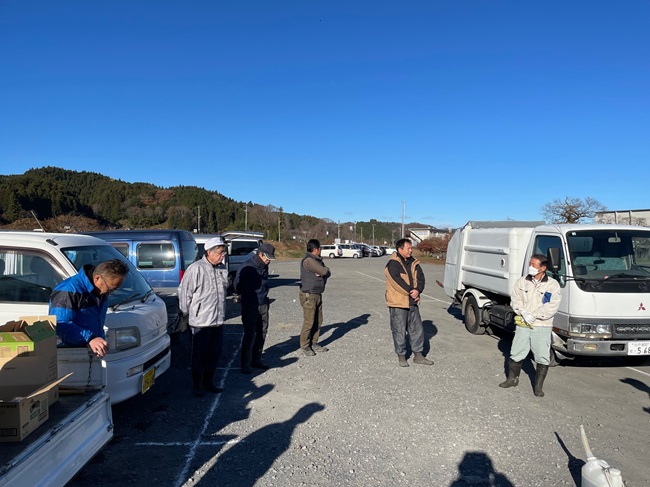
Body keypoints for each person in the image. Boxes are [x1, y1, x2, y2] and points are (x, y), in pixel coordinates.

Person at [499, 253, 561, 397]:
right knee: (516, 352)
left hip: (541, 325)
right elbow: (515, 299)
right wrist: (524, 313)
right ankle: (512, 379)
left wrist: (535, 315)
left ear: (543, 268)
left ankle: (538, 387)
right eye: (530, 264)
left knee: (542, 356)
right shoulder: (522, 282)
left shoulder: (552, 285)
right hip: (523, 323)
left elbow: (552, 306)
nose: (530, 267)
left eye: (534, 265)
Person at [179, 236, 229, 397]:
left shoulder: (222, 269)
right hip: (200, 322)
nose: (223, 255)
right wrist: (188, 314)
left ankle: (209, 382)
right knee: (199, 356)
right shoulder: (196, 269)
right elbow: (184, 294)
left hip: (218, 321)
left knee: (214, 354)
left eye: (224, 252)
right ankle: (197, 385)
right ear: (209, 252)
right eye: (221, 252)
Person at [49, 258, 129, 358]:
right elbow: (60, 324)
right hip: (69, 353)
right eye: (110, 289)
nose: (109, 293)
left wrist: (97, 341)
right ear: (97, 278)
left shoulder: (100, 291)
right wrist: (90, 338)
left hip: (90, 351)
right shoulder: (68, 290)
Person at [385, 238, 433, 367]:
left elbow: (421, 278)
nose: (411, 250)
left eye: (411, 248)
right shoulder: (393, 264)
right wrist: (410, 291)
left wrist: (418, 290)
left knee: (417, 329)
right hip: (398, 303)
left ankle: (418, 355)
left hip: (413, 302)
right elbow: (396, 281)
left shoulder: (414, 263)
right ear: (400, 249)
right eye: (408, 248)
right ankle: (401, 356)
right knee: (399, 330)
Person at [234, 242, 276, 374]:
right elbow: (237, 286)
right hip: (250, 304)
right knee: (249, 333)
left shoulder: (265, 266)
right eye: (267, 258)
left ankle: (256, 359)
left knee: (262, 332)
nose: (269, 261)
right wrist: (245, 296)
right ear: (260, 254)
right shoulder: (246, 267)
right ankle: (245, 364)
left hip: (263, 303)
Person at [299, 239, 331, 356]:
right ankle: (305, 345)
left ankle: (314, 342)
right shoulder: (309, 261)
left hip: (317, 294)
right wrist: (323, 271)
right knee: (309, 321)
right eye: (320, 248)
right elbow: (323, 271)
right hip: (309, 295)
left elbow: (327, 272)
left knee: (318, 320)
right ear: (315, 249)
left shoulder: (317, 261)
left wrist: (324, 271)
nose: (321, 250)